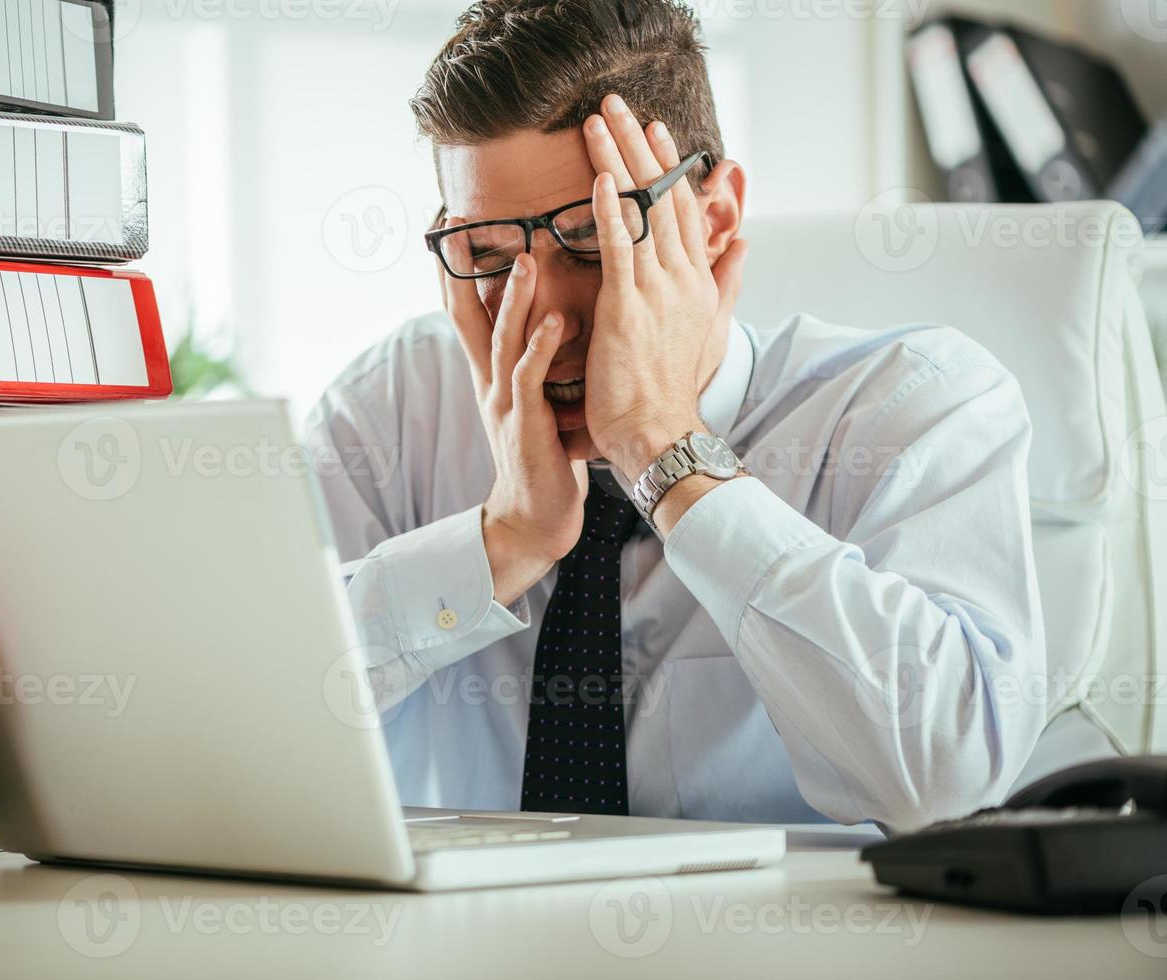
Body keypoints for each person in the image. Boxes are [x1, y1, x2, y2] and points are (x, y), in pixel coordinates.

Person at [305, 0, 1045, 833]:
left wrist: (665, 449)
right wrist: (500, 541)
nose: (547, 318)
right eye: (489, 254)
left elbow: (947, 784)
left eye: (596, 238)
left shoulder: (915, 405)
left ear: (716, 216)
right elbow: (235, 726)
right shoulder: (392, 411)